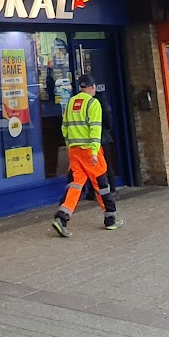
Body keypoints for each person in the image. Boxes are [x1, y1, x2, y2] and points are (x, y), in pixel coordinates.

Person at [52, 81, 119, 236]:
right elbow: (95, 128)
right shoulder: (93, 103)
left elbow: (65, 127)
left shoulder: (70, 102)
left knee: (76, 184)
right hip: (90, 150)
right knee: (101, 183)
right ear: (92, 87)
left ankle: (62, 217)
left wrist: (70, 146)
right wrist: (95, 151)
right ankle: (111, 219)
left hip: (75, 150)